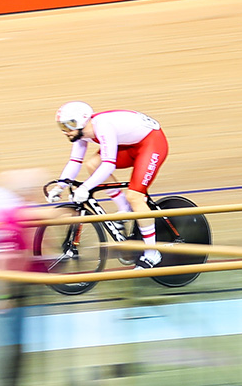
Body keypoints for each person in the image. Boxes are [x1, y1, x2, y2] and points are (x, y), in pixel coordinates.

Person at [52, 102, 167, 269]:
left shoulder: (103, 126)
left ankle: (152, 253)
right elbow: (74, 161)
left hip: (151, 144)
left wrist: (85, 188)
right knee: (92, 164)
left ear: (82, 121)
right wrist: (60, 186)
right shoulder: (81, 133)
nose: (65, 130)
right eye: (61, 125)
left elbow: (108, 165)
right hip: (129, 146)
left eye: (68, 125)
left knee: (135, 196)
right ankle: (124, 208)